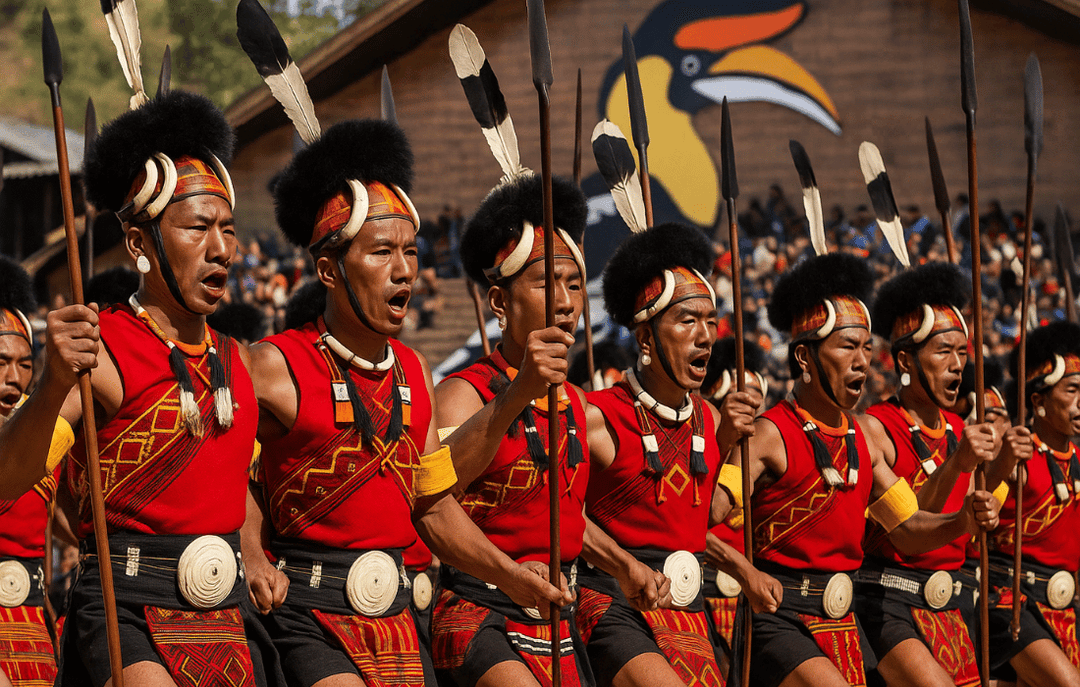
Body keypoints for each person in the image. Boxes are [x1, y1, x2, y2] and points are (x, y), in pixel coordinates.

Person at [242, 118, 569, 687]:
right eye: (380, 253)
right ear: (329, 270)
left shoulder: (414, 370)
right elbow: (233, 475)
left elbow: (434, 507)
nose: (404, 271)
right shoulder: (273, 363)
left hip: (397, 624)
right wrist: (252, 552)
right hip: (307, 620)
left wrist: (510, 577)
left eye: (410, 252)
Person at [0, 89, 272, 687]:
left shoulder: (241, 362)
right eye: (199, 227)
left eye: (227, 228)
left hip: (228, 617)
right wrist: (49, 387)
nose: (222, 249)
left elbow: (233, 484)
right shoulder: (100, 350)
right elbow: (6, 480)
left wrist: (252, 548)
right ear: (140, 245)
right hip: (129, 616)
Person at [710, 252, 1000, 687]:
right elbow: (701, 518)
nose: (863, 361)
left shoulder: (858, 438)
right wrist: (746, 571)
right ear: (805, 358)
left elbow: (907, 527)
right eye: (848, 346)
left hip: (845, 625)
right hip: (780, 620)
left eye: (867, 347)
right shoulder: (769, 434)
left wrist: (962, 521)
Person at [433, 170, 620, 687]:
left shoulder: (577, 404)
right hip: (479, 611)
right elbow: (435, 496)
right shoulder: (460, 393)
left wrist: (627, 566)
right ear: (500, 304)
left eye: (575, 284)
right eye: (545, 283)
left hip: (560, 619)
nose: (566, 301)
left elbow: (569, 517)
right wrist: (519, 394)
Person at [577, 223, 772, 687]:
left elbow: (692, 522)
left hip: (689, 611)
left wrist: (743, 568)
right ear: (645, 340)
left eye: (710, 320)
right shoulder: (596, 416)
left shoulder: (708, 418)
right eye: (687, 320)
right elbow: (555, 513)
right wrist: (624, 566)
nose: (706, 336)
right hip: (613, 602)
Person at [857, 262, 1017, 687]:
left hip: (950, 605)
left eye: (963, 352)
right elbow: (909, 531)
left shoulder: (960, 433)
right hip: (889, 601)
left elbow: (977, 521)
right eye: (943, 351)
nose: (957, 365)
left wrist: (1001, 467)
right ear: (906, 359)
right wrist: (959, 465)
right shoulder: (876, 429)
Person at [987, 321, 1080, 685]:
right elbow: (976, 510)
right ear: (1038, 401)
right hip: (1011, 603)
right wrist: (1002, 465)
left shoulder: (1075, 458)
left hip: (1064, 604)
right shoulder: (1016, 456)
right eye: (1072, 390)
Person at [0, 256, 68, 686]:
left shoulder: (47, 435)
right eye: (1, 361)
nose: (13, 377)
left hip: (35, 626)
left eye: (25, 364)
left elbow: (68, 522)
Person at [698, 336, 769, 663]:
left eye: (756, 405)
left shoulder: (767, 453)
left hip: (748, 598)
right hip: (701, 589)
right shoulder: (699, 443)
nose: (749, 415)